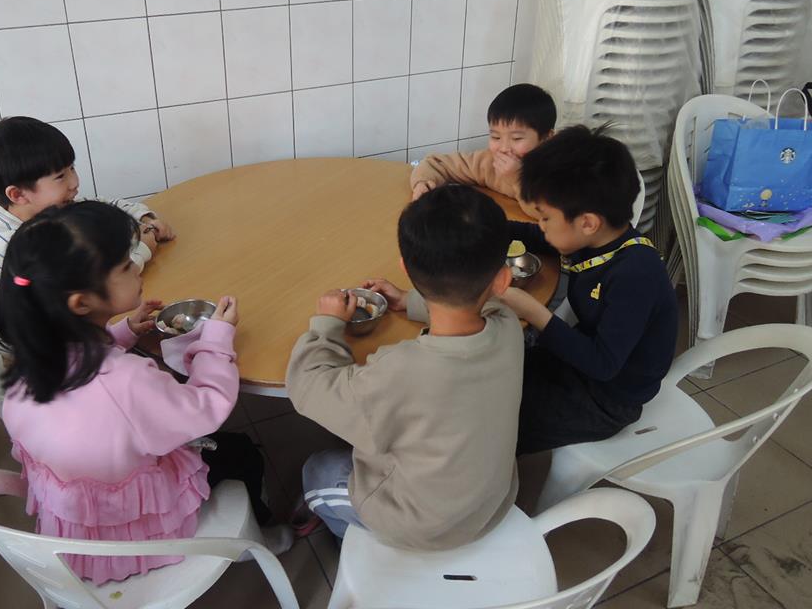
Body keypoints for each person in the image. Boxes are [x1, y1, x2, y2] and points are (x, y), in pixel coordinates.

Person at [0, 201, 290, 585]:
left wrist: (123, 333)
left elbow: (88, 380)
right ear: (81, 302)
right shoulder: (127, 381)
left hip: (79, 530)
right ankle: (255, 539)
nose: (137, 268)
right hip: (135, 537)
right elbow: (207, 407)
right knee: (240, 452)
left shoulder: (28, 361)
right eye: (124, 266)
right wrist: (217, 339)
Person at [286, 185, 525, 549]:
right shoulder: (508, 328)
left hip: (423, 527)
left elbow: (307, 386)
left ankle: (353, 542)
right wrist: (410, 301)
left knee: (316, 469)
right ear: (502, 279)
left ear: (405, 268)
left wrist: (327, 324)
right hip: (490, 503)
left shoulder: (400, 370)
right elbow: (487, 306)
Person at [499, 126, 678, 454]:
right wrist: (489, 225)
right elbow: (540, 237)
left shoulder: (636, 274)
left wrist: (533, 311)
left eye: (545, 218)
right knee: (494, 376)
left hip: (608, 398)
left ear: (587, 222)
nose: (540, 226)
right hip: (575, 362)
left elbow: (602, 364)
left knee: (496, 422)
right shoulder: (595, 237)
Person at [0, 116, 173, 352]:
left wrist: (145, 218)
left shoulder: (37, 208)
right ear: (18, 194)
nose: (74, 183)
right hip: (37, 353)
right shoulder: (21, 248)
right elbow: (95, 284)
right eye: (60, 176)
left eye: (72, 168)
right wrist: (143, 250)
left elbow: (103, 205)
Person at [410, 83, 556, 201]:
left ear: (547, 138)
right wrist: (422, 183)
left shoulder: (556, 171)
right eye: (496, 137)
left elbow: (548, 213)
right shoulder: (489, 162)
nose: (504, 148)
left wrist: (517, 179)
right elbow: (437, 164)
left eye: (516, 138)